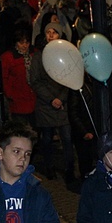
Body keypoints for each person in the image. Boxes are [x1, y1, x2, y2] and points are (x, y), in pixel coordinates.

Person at [28, 21, 76, 186]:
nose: (50, 35)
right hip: (45, 105)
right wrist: (50, 99)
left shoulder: (67, 54)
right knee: (47, 139)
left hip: (61, 104)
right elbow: (35, 81)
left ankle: (69, 169)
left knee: (67, 139)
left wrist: (61, 98)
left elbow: (70, 77)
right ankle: (50, 168)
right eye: (48, 32)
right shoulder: (38, 57)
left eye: (54, 32)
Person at [1, 24, 36, 125]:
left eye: (27, 42)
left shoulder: (34, 54)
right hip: (18, 101)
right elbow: (4, 78)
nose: (25, 45)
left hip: (33, 99)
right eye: (21, 42)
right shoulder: (8, 57)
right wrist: (10, 95)